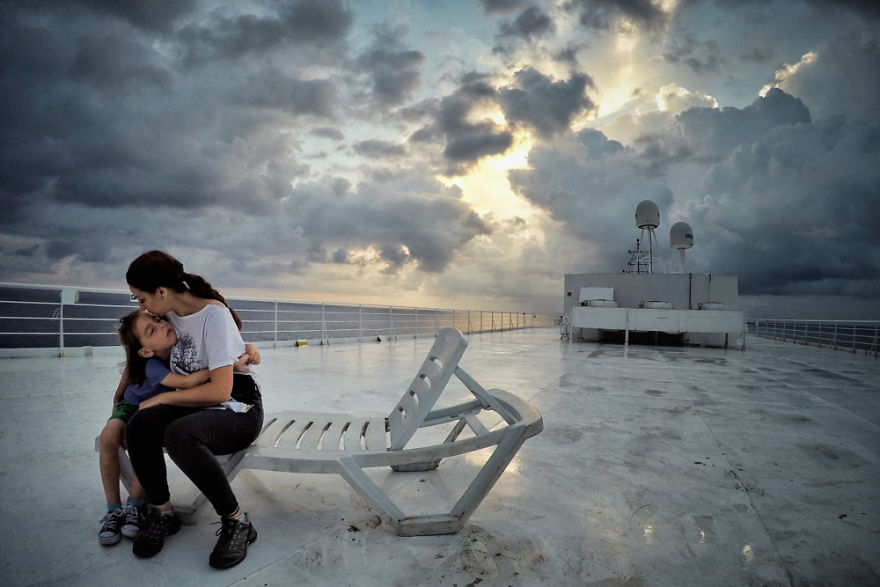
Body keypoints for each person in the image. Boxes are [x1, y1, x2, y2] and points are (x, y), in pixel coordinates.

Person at [124, 250, 264, 569]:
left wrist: (162, 399)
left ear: (162, 291)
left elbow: (220, 390)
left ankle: (237, 520)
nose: (141, 307)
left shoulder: (213, 315)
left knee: (179, 433)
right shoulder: (167, 316)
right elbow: (138, 352)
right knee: (139, 425)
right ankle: (163, 512)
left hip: (239, 409)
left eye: (141, 298)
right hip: (197, 406)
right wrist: (119, 407)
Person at [98, 310, 259, 546]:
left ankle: (234, 517)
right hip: (137, 404)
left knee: (174, 433)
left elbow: (219, 344)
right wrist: (116, 407)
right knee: (123, 432)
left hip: (181, 402)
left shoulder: (178, 333)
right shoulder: (154, 354)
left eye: (157, 320)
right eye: (152, 327)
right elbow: (132, 370)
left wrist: (244, 351)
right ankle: (142, 510)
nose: (161, 324)